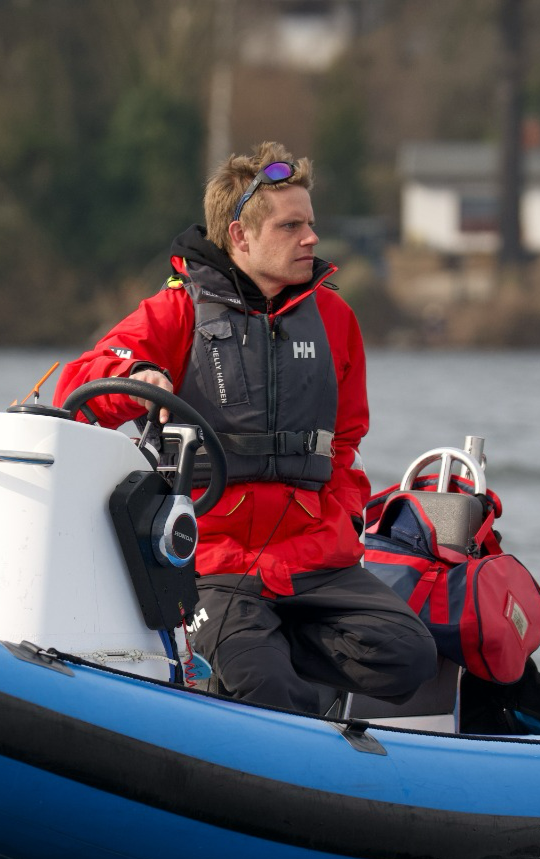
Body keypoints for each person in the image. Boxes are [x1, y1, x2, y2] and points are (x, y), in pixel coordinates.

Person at [53, 141, 437, 715]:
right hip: (215, 558)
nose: (311, 238)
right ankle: (255, 675)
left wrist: (339, 515)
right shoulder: (175, 312)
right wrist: (136, 373)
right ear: (241, 236)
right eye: (291, 226)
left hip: (312, 559)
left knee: (408, 655)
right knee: (262, 685)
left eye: (311, 223)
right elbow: (76, 387)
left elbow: (347, 439)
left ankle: (267, 655)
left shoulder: (335, 319)